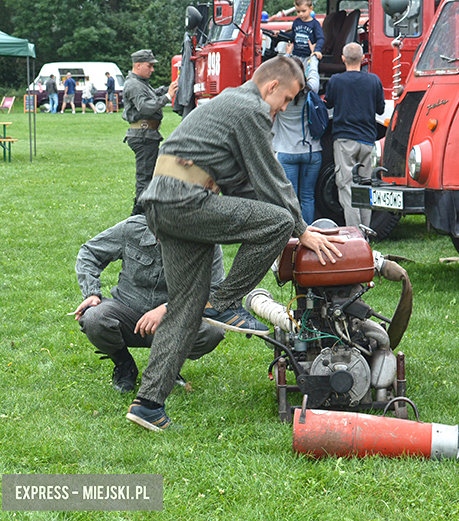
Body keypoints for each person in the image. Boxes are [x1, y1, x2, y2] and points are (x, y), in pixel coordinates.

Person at [126, 56, 345, 432]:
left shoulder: (226, 102)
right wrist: (301, 229)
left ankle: (148, 404)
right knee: (278, 222)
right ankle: (225, 302)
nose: (285, 108)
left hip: (164, 205)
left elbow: (245, 187)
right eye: (288, 99)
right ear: (272, 87)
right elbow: (271, 179)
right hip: (185, 201)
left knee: (184, 308)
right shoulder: (250, 109)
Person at [73, 215, 226, 394]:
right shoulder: (132, 228)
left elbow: (215, 291)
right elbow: (90, 252)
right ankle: (124, 366)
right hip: (127, 314)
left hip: (172, 323)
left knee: (211, 331)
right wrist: (91, 293)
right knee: (93, 317)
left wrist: (168, 308)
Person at [325, 42, 385, 228]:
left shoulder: (336, 80)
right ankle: (365, 233)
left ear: (343, 59)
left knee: (346, 186)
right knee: (365, 187)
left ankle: (355, 234)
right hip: (367, 140)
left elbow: (328, 104)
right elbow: (381, 110)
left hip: (345, 139)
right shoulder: (374, 80)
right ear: (363, 59)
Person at [122, 49, 179, 216]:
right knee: (145, 179)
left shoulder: (140, 82)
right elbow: (145, 107)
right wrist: (168, 97)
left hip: (146, 135)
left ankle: (142, 215)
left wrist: (167, 88)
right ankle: (137, 217)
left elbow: (152, 94)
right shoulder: (134, 84)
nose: (152, 69)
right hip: (143, 136)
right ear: (138, 65)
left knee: (148, 176)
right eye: (150, 66)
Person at [272, 54, 321, 224]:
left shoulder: (280, 94)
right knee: (308, 197)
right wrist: (313, 57)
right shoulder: (311, 89)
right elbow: (314, 74)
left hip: (286, 151)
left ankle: (294, 236)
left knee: (290, 199)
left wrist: (286, 53)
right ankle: (309, 232)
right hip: (312, 152)